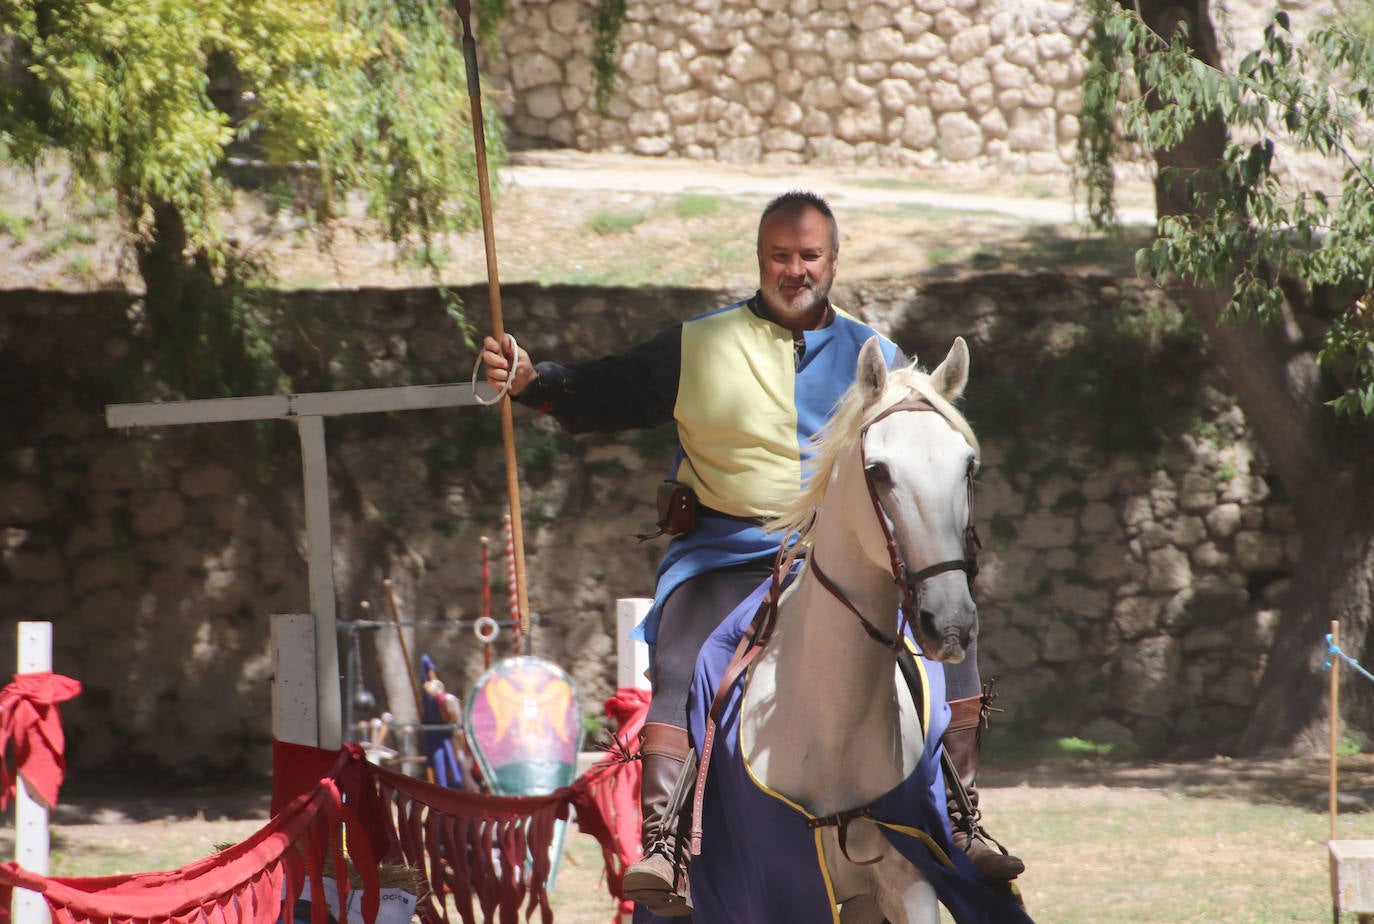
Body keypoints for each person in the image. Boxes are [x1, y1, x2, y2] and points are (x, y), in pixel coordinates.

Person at [480, 191, 1022, 916]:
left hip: (843, 556)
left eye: (809, 256)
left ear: (833, 260)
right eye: (780, 256)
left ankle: (962, 818)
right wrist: (534, 380)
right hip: (726, 553)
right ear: (760, 259)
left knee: (954, 629)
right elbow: (606, 389)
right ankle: (668, 843)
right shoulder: (698, 346)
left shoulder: (880, 358)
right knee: (680, 659)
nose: (794, 270)